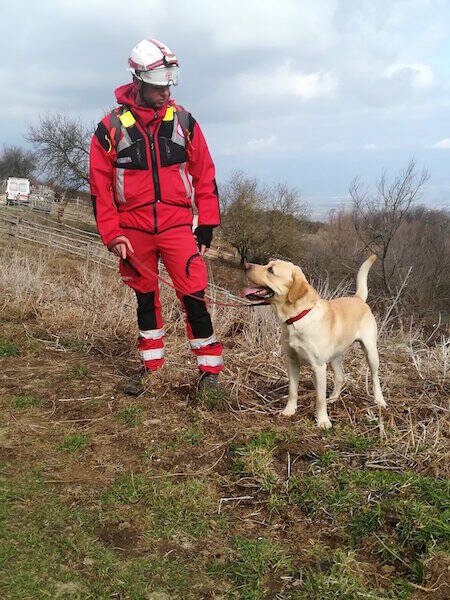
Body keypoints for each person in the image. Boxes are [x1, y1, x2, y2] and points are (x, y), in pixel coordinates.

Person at [89, 38, 223, 395]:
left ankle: (210, 372)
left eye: (169, 85)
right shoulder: (110, 129)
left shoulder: (184, 122)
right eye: (158, 86)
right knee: (145, 299)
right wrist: (112, 234)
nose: (166, 93)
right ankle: (153, 369)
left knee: (194, 295)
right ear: (137, 81)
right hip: (133, 234)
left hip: (178, 227)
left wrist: (206, 221)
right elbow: (100, 190)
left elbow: (204, 173)